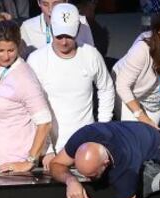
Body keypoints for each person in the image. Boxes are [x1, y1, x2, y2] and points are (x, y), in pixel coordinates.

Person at [27, 3, 114, 169]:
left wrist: (101, 128)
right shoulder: (36, 60)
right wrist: (46, 148)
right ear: (51, 29)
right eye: (59, 36)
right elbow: (33, 107)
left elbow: (106, 89)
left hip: (87, 145)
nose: (64, 42)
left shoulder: (91, 55)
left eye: (69, 36)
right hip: (52, 150)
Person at [49, 121, 160, 198]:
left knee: (144, 185)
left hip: (155, 144)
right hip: (127, 130)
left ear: (106, 163)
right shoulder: (82, 136)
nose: (88, 180)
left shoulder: (126, 168)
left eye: (92, 176)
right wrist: (71, 180)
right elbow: (56, 163)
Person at [0, 18, 51, 171]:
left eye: (11, 50)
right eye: (0, 51)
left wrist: (29, 161)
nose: (6, 56)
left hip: (14, 161)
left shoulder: (24, 77)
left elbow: (45, 122)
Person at [20, 0, 94, 57]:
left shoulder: (81, 22)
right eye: (45, 4)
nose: (50, 10)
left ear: (65, 1)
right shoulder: (27, 27)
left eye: (56, 4)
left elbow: (90, 56)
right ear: (38, 3)